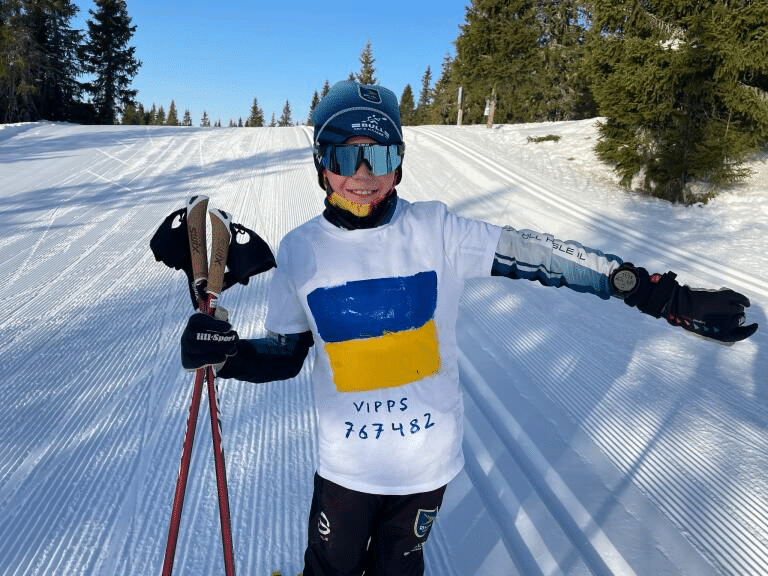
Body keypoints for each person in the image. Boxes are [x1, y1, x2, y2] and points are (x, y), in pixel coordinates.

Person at [180, 80, 758, 576]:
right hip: (346, 469)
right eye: (343, 156)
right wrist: (226, 353)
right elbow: (284, 356)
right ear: (320, 164)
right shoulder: (302, 251)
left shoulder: (437, 230)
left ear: (399, 163)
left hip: (426, 466)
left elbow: (540, 255)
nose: (362, 176)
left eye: (378, 157)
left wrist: (655, 291)